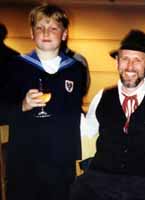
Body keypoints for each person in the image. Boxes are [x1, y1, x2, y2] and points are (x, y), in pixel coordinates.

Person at [70, 29, 145, 200]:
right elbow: (85, 131)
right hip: (97, 183)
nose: (130, 66)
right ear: (117, 62)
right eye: (125, 59)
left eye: (137, 60)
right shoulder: (102, 96)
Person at [0, 4, 88, 200]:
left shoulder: (75, 69)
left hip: (61, 164)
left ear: (64, 34)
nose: (46, 32)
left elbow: (74, 112)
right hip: (25, 161)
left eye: (54, 28)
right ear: (32, 33)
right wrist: (22, 106)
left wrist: (76, 157)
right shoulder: (15, 67)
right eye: (40, 27)